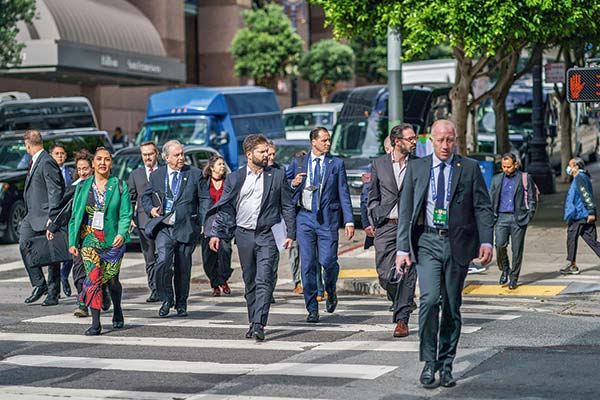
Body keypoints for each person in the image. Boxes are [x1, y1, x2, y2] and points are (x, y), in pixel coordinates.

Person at [395, 119, 493, 389]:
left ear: (455, 140)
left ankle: (446, 363)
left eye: (450, 140)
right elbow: (406, 211)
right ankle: (429, 362)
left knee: (451, 306)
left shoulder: (469, 168)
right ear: (432, 141)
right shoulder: (417, 167)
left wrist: (487, 241)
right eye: (440, 140)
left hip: (457, 244)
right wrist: (402, 248)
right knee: (428, 300)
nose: (446, 145)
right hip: (427, 240)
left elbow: (483, 207)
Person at [207, 134, 296, 341]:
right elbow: (225, 208)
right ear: (249, 154)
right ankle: (252, 320)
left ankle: (259, 323)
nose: (266, 155)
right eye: (261, 152)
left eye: (267, 151)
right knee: (250, 281)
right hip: (244, 235)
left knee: (265, 279)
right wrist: (216, 233)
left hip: (267, 234)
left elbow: (287, 205)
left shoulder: (277, 175)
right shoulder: (235, 178)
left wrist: (291, 233)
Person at [287, 127, 354, 323]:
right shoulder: (299, 163)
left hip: (327, 220)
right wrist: (293, 183)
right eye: (324, 140)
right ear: (313, 142)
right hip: (305, 219)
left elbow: (344, 192)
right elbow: (284, 187)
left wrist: (349, 220)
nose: (327, 143)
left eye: (328, 140)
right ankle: (312, 308)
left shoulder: (336, 164)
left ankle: (330, 289)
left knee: (328, 261)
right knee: (307, 265)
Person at [67, 147, 132, 335]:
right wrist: (73, 242)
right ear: (93, 163)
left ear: (111, 163)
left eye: (107, 159)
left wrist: (122, 232)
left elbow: (126, 213)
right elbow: (75, 216)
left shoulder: (119, 185)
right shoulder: (82, 186)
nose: (103, 163)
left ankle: (117, 310)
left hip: (113, 241)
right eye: (99, 159)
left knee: (112, 281)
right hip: (89, 240)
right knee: (93, 279)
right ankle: (96, 323)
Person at [142, 140, 209, 318]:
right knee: (162, 262)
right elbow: (146, 197)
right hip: (164, 226)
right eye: (177, 155)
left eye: (182, 154)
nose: (181, 158)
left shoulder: (195, 174)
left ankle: (181, 303)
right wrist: (150, 209)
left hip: (186, 226)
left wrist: (203, 222)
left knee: (183, 267)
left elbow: (204, 199)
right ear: (166, 158)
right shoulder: (157, 175)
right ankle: (166, 298)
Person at [368, 124, 418, 337]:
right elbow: (372, 195)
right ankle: (403, 301)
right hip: (386, 225)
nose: (414, 142)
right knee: (384, 275)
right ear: (397, 141)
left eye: (414, 138)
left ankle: (402, 319)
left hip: (410, 227)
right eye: (410, 139)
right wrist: (373, 215)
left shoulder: (419, 165)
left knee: (407, 272)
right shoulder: (379, 164)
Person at [47, 149, 95, 317]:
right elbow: (63, 211)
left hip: (99, 236)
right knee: (79, 270)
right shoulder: (74, 188)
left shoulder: (101, 187)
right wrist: (52, 226)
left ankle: (103, 295)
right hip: (79, 236)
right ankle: (82, 304)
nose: (82, 172)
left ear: (93, 168)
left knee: (97, 272)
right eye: (79, 169)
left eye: (85, 169)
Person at [20, 130, 65, 306]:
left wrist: (53, 217)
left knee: (52, 256)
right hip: (31, 215)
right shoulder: (35, 161)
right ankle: (40, 284)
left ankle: (53, 294)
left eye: (25, 145)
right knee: (24, 244)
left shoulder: (47, 161)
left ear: (28, 144)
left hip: (46, 215)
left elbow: (55, 190)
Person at [490, 153, 537, 289]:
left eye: (508, 166)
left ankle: (514, 277)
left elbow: (532, 198)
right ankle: (505, 268)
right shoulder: (496, 179)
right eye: (503, 166)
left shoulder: (525, 178)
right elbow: (491, 199)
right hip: (501, 218)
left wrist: (529, 215)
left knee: (517, 250)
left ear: (516, 164)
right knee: (499, 245)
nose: (506, 169)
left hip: (518, 219)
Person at [128, 141, 160, 302]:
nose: (147, 157)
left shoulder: (164, 171)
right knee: (150, 258)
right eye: (144, 154)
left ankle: (165, 287)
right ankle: (154, 289)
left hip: (163, 221)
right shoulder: (136, 174)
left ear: (157, 154)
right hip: (143, 221)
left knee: (164, 256)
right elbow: (131, 198)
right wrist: (130, 218)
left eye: (150, 154)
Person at [200, 154, 233, 297]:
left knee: (225, 253)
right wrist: (201, 223)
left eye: (223, 164)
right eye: (219, 164)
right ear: (212, 167)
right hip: (208, 223)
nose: (222, 167)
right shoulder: (203, 183)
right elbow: (200, 205)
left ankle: (223, 279)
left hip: (224, 222)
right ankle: (214, 284)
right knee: (208, 258)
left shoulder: (229, 182)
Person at [561, 157, 600, 275]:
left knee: (571, 238)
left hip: (579, 215)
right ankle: (572, 265)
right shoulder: (582, 178)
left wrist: (591, 211)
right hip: (582, 214)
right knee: (591, 240)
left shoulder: (579, 178)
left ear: (576, 167)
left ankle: (572, 265)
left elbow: (586, 195)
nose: (568, 168)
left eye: (570, 165)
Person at [50, 142, 75, 297]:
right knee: (55, 253)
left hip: (70, 216)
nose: (60, 156)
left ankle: (64, 276)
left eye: (62, 153)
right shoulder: (49, 172)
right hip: (56, 217)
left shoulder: (72, 173)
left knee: (71, 252)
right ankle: (55, 287)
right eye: (57, 153)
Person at [288, 149, 307, 295]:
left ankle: (317, 282)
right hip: (297, 212)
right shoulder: (297, 163)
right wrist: (293, 182)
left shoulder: (327, 162)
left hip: (315, 214)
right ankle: (297, 282)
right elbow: (285, 181)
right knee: (296, 250)